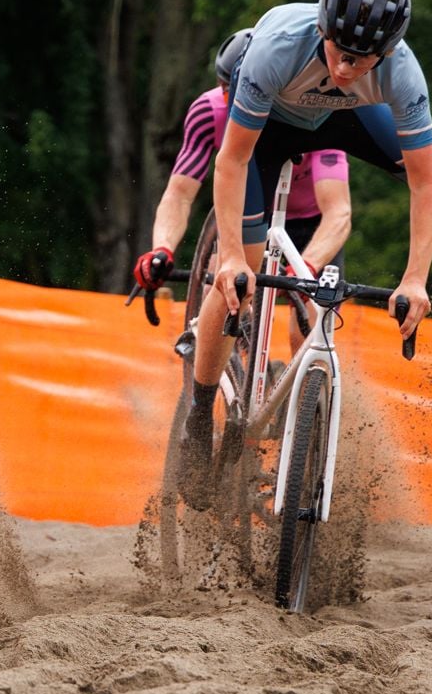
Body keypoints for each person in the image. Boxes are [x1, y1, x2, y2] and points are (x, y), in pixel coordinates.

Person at [182, 0, 432, 471]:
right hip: (271, 128)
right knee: (236, 277)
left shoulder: (402, 71)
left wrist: (414, 280)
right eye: (339, 50)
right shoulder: (277, 47)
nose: (345, 68)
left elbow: (425, 184)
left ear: (386, 52)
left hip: (346, 120)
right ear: (323, 27)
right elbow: (231, 159)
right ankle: (197, 414)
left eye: (363, 58)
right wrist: (231, 253)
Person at [133, 29, 354, 475]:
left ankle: (300, 444)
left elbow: (339, 215)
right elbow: (180, 193)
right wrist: (161, 249)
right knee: (227, 279)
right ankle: (204, 406)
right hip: (244, 218)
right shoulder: (209, 111)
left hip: (307, 225)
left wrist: (304, 271)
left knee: (306, 319)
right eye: (231, 92)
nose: (241, 105)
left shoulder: (317, 115)